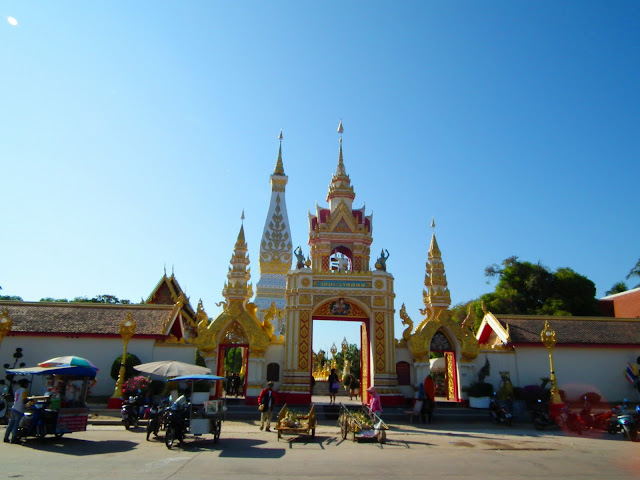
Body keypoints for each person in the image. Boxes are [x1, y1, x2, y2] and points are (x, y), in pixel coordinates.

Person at [4, 378, 29, 444]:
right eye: (27, 383)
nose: (28, 385)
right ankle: (13, 438)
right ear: (24, 384)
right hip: (19, 409)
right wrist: (29, 400)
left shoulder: (18, 390)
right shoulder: (25, 391)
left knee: (11, 424)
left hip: (14, 408)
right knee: (16, 425)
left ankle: (6, 437)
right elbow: (24, 401)